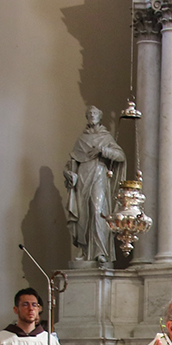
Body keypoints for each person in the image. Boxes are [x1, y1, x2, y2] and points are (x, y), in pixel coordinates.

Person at [64, 106, 127, 264]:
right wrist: (69, 174)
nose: (92, 115)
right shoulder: (81, 139)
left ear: (100, 116)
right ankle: (85, 251)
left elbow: (120, 156)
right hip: (82, 177)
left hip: (99, 175)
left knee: (98, 211)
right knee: (83, 214)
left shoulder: (105, 137)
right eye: (89, 114)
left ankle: (100, 252)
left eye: (95, 113)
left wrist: (102, 150)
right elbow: (73, 161)